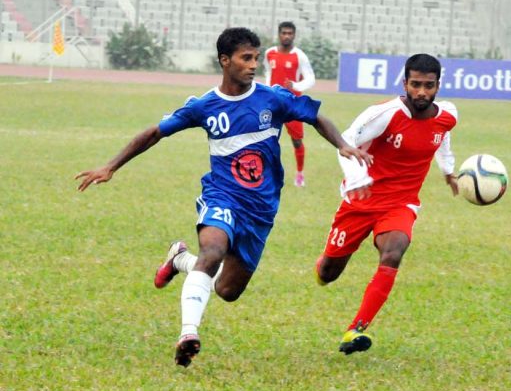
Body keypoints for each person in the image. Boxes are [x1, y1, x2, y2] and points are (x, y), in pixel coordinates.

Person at [75, 27, 368, 367]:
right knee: (212, 251)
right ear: (225, 61)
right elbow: (155, 132)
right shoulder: (204, 106)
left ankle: (178, 260)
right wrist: (111, 166)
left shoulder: (273, 99)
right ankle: (188, 333)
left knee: (228, 291)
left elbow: (317, 117)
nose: (253, 64)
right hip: (222, 195)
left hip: (261, 209)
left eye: (256, 58)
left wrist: (343, 144)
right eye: (246, 58)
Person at [314, 53, 458, 355]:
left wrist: (448, 171)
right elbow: (347, 142)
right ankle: (324, 263)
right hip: (361, 200)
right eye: (415, 84)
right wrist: (356, 179)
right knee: (328, 273)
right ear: (405, 83)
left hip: (401, 203)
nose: (421, 92)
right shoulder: (384, 114)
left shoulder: (447, 115)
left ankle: (356, 329)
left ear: (438, 86)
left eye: (428, 86)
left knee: (394, 251)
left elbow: (442, 138)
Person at [264, 21, 316, 187]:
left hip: (292, 104)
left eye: (290, 33)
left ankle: (299, 174)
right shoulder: (269, 53)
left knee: (296, 141)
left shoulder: (299, 55)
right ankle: (266, 174)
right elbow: (268, 73)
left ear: (294, 35)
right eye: (284, 33)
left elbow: (310, 78)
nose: (286, 36)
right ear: (279, 34)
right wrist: (267, 91)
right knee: (265, 138)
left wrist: (295, 85)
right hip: (272, 103)